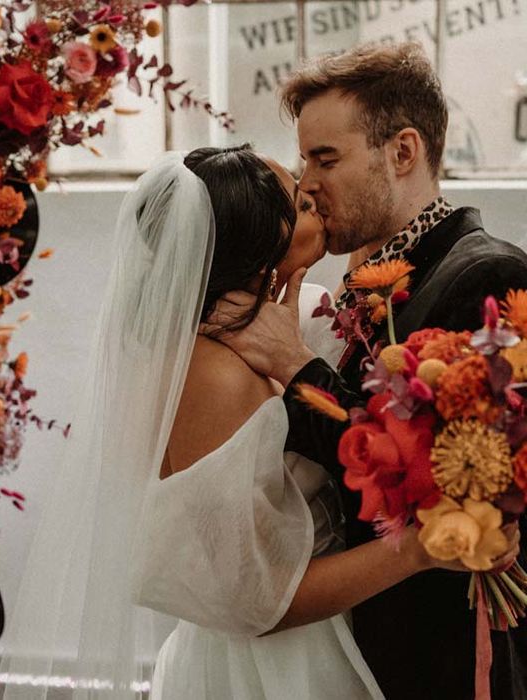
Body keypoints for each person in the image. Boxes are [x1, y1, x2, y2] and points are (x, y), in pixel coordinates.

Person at [0, 146, 517, 700]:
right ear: (261, 244)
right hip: (272, 669)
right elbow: (256, 600)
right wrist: (419, 550)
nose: (313, 195)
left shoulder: (296, 317)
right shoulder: (212, 374)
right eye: (298, 198)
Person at [209, 42, 527, 699]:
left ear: (403, 152)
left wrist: (295, 367)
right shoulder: (354, 290)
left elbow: (445, 484)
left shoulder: (490, 274)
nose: (308, 184)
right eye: (304, 162)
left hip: (449, 653)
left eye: (327, 158)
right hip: (353, 646)